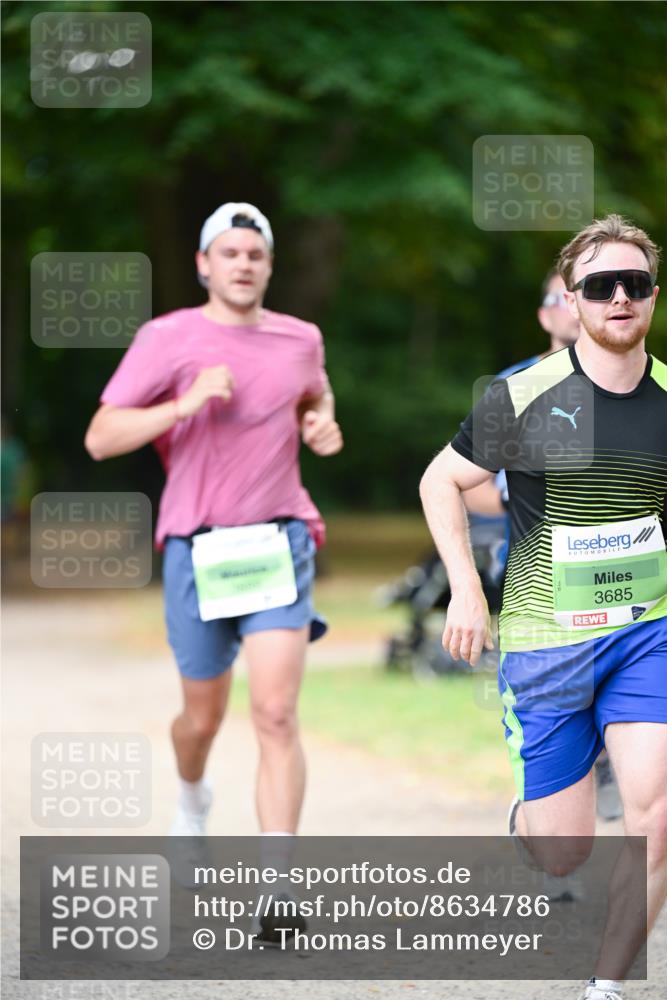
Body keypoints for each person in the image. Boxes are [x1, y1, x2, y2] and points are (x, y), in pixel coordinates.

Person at [420, 214, 666, 1000]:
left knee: (654, 814)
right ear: (573, 298)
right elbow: (439, 481)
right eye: (601, 285)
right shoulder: (521, 395)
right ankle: (531, 825)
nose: (619, 297)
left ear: (652, 297)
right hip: (546, 641)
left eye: (634, 283)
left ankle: (605, 986)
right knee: (562, 851)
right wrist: (464, 585)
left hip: (645, 634)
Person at [85, 202, 343, 937]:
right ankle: (192, 797)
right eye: (228, 253)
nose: (242, 264)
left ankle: (277, 891)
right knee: (202, 718)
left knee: (275, 712)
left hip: (277, 542)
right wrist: (185, 404)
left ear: (268, 265)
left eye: (254, 254)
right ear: (204, 264)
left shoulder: (301, 338)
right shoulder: (167, 338)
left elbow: (314, 394)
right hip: (198, 548)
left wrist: (321, 422)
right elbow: (102, 437)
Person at [464, 271, 622, 825]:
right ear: (546, 314)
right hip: (540, 583)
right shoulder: (518, 384)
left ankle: (603, 770)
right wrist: (523, 505)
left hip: (621, 574)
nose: (577, 307)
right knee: (560, 713)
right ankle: (548, 807)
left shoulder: (629, 381)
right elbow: (468, 483)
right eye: (564, 296)